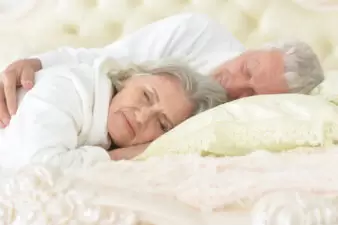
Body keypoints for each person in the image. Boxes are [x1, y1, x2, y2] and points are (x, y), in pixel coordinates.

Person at [0, 13, 324, 158]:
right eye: (249, 68)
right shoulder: (196, 32)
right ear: (257, 48)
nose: (237, 83)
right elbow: (108, 59)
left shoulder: (240, 122)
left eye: (253, 93)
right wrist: (35, 65)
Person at [0, 57, 226, 170]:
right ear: (129, 78)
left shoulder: (104, 131)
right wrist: (117, 157)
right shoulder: (71, 88)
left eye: (162, 124)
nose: (141, 117)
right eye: (146, 96)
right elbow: (39, 170)